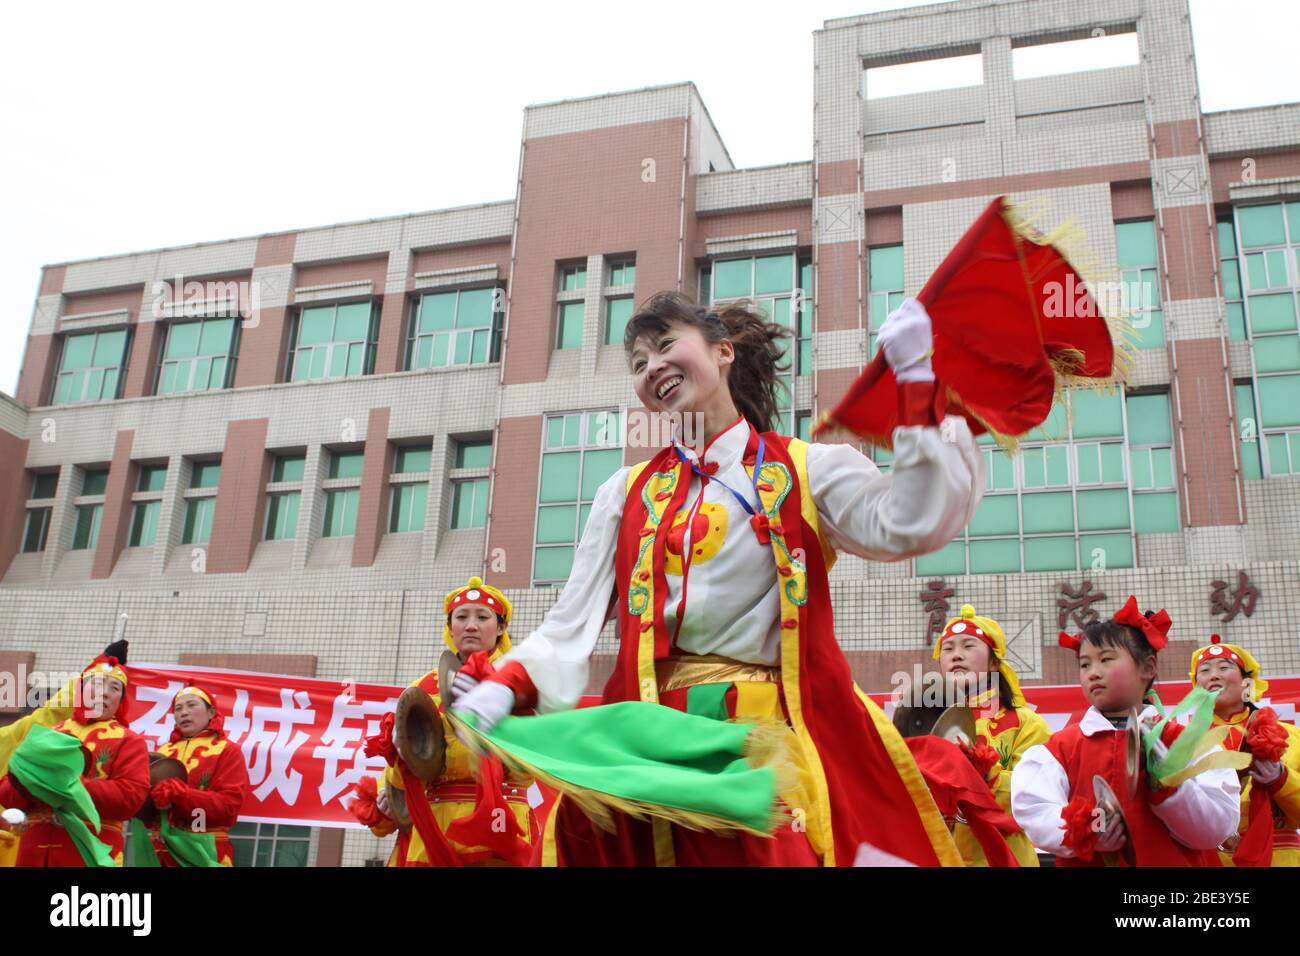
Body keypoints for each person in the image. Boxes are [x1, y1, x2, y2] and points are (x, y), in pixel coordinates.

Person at [453, 292, 985, 866]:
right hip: (651, 743)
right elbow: (570, 621)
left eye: (664, 345)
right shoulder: (624, 493)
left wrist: (916, 377)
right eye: (637, 363)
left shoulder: (806, 468)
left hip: (762, 739)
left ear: (723, 350)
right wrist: (505, 684)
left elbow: (911, 522)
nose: (651, 366)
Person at [1011, 597, 1240, 866]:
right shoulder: (1061, 748)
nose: (1093, 673)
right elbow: (1033, 809)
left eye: (1106, 660)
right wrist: (1088, 830)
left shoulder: (1188, 743)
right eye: (1085, 665)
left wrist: (1170, 788)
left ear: (1147, 667)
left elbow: (1216, 828)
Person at [350, 576, 535, 866]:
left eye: (482, 617)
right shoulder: (423, 689)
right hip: (436, 827)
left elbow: (531, 764)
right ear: (450, 626)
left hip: (501, 822)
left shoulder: (520, 681)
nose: (470, 625)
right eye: (461, 617)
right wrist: (389, 797)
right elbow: (405, 766)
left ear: (501, 627)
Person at [0, 654, 149, 866]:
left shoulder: (129, 741)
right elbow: (6, 792)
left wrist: (70, 785)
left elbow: (130, 798)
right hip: (32, 856)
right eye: (96, 684)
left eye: (115, 688)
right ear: (80, 691)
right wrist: (31, 782)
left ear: (121, 701)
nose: (104, 693)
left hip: (89, 856)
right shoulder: (45, 734)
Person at [933, 604, 1048, 866]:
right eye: (948, 649)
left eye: (968, 646)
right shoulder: (924, 725)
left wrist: (986, 775)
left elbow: (1037, 795)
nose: (956, 655)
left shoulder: (1026, 723)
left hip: (1005, 857)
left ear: (994, 663)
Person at [1191, 635, 1300, 866]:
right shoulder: (1180, 741)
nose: (1214, 675)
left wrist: (1281, 779)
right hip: (1207, 860)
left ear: (1247, 683)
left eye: (1224, 667)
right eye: (1205, 670)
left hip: (1278, 858)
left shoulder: (1289, 735)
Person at [143, 685, 249, 866]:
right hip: (160, 851)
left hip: (205, 848)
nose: (184, 712)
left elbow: (228, 807)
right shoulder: (163, 752)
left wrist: (182, 795)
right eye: (178, 708)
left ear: (211, 712)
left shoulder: (227, 750)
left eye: (192, 705)